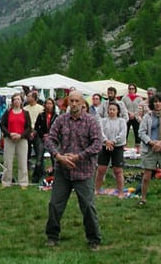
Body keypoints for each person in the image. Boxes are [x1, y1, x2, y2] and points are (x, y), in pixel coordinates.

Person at [45, 91, 102, 251]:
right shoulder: (61, 120)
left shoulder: (91, 122)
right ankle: (52, 236)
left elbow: (97, 144)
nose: (74, 104)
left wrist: (77, 157)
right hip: (63, 171)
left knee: (88, 206)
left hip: (83, 171)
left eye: (77, 101)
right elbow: (49, 139)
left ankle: (94, 239)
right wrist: (59, 156)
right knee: (55, 204)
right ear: (67, 103)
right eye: (72, 101)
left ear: (83, 103)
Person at [137, 92, 161, 211]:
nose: (158, 104)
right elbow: (141, 132)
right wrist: (151, 142)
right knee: (146, 176)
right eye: (155, 102)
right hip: (150, 148)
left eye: (160, 101)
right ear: (152, 103)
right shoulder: (147, 116)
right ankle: (143, 199)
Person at [95, 102, 127, 197]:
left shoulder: (122, 121)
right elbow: (100, 132)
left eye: (114, 109)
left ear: (117, 111)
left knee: (118, 171)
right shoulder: (103, 121)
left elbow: (122, 134)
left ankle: (120, 192)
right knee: (101, 169)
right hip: (104, 146)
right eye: (110, 109)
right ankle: (96, 189)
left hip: (117, 147)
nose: (112, 111)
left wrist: (113, 141)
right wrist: (106, 141)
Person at [0, 93, 32, 188]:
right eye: (15, 99)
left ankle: (23, 182)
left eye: (18, 99)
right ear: (12, 101)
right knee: (8, 162)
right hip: (9, 139)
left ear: (21, 101)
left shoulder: (25, 113)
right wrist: (9, 134)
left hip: (22, 140)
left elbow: (29, 128)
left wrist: (21, 135)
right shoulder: (8, 112)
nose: (17, 101)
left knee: (22, 162)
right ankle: (6, 182)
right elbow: (3, 125)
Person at [24, 90, 45, 183]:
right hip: (27, 132)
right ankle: (26, 170)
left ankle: (40, 171)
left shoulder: (41, 108)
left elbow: (42, 123)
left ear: (34, 98)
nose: (27, 98)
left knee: (39, 153)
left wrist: (35, 132)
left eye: (29, 96)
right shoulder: (25, 109)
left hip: (37, 133)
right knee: (25, 153)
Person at [34, 97, 58, 175]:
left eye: (50, 104)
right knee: (39, 156)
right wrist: (43, 135)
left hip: (52, 138)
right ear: (45, 105)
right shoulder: (41, 115)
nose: (49, 105)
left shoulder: (56, 116)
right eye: (47, 103)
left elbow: (58, 128)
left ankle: (55, 173)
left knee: (54, 157)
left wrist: (50, 135)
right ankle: (38, 174)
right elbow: (36, 127)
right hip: (41, 138)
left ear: (53, 105)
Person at [121, 83, 145, 152]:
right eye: (130, 89)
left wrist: (134, 114)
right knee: (126, 132)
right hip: (127, 117)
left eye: (132, 89)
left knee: (137, 132)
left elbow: (140, 107)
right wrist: (129, 113)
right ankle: (124, 147)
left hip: (136, 117)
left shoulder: (139, 98)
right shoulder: (125, 97)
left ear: (135, 90)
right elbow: (123, 107)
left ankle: (138, 148)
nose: (131, 90)